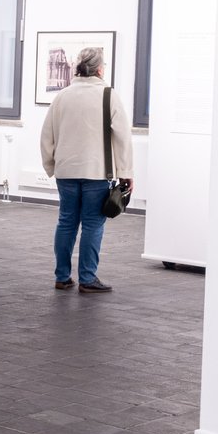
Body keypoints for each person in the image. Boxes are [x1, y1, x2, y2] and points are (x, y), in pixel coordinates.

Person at [39, 46, 132, 294]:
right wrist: (125, 172)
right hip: (97, 172)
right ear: (100, 69)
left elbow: (47, 134)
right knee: (92, 224)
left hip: (66, 171)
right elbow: (123, 137)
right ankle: (88, 279)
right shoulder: (108, 95)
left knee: (66, 222)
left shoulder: (62, 96)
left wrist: (51, 165)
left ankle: (62, 277)